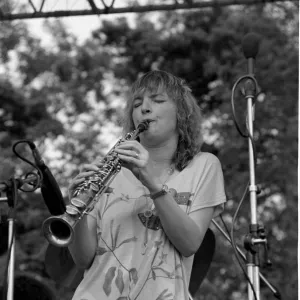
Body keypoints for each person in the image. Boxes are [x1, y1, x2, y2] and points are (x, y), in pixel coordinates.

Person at [67, 70, 226, 300]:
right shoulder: (107, 172)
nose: (144, 108)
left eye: (158, 100)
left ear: (182, 113)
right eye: (137, 104)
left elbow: (189, 243)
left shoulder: (204, 165)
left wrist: (150, 181)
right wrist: (78, 211)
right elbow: (83, 259)